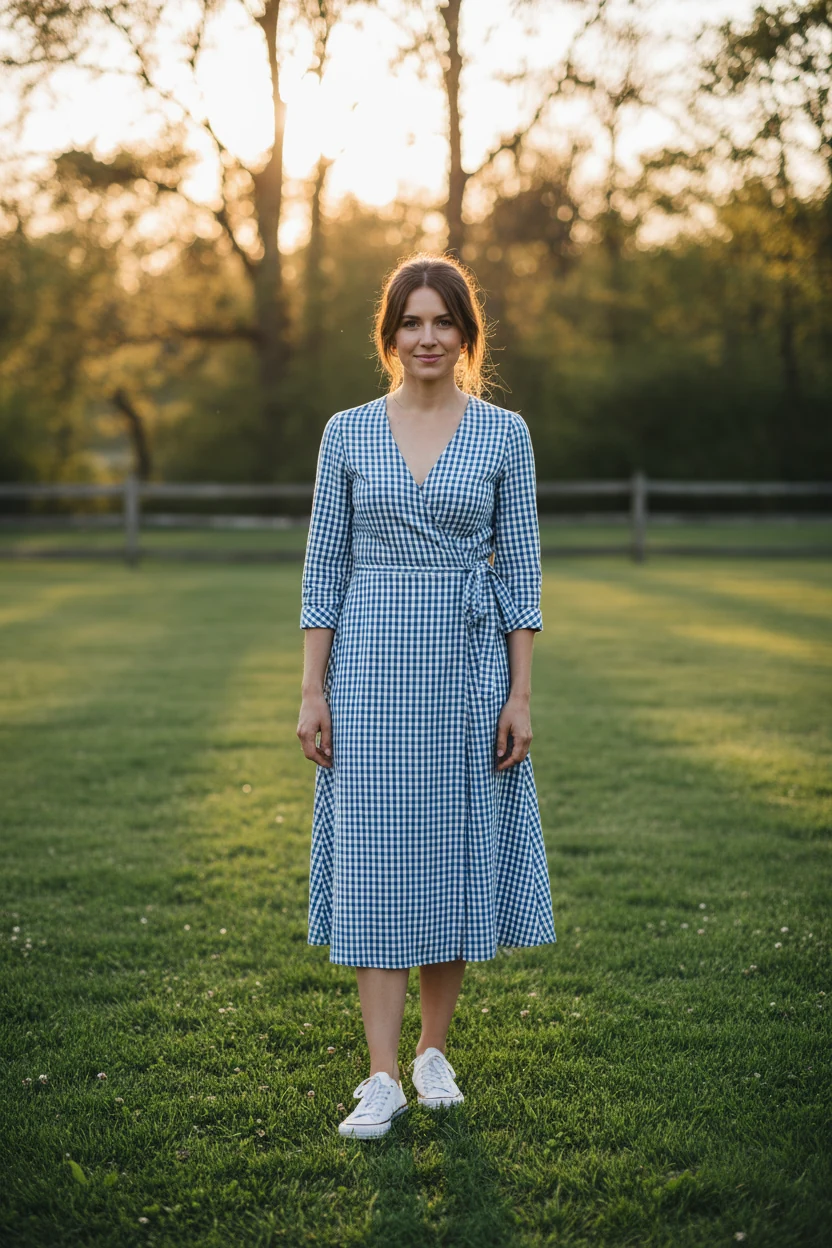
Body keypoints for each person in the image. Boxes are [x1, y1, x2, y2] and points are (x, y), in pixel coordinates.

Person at [296, 251, 557, 1140]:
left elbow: (519, 573)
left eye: (444, 320)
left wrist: (520, 694)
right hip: (368, 672)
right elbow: (323, 568)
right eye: (411, 321)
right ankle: (379, 1076)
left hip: (466, 669)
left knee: (448, 851)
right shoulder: (347, 433)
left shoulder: (503, 435)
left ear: (467, 335)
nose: (428, 336)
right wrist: (311, 690)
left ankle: (433, 1052)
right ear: (390, 335)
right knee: (375, 861)